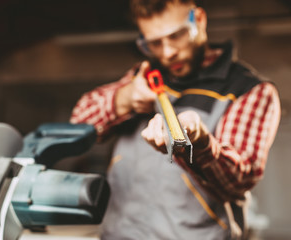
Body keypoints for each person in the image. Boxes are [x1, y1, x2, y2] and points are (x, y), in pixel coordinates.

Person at [70, 0, 281, 239]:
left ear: (199, 19)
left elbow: (236, 182)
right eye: (154, 43)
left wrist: (201, 145)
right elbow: (78, 125)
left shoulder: (249, 90)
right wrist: (125, 98)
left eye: (177, 35)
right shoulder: (146, 75)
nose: (168, 52)